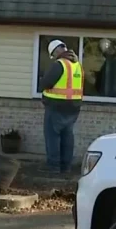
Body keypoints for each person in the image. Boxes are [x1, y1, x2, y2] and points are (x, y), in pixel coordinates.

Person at [39, 39, 83, 173]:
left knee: (52, 137)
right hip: (73, 108)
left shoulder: (59, 64)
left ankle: (53, 167)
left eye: (53, 55)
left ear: (56, 52)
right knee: (67, 136)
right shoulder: (77, 65)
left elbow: (45, 84)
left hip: (56, 106)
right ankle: (66, 167)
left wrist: (42, 80)